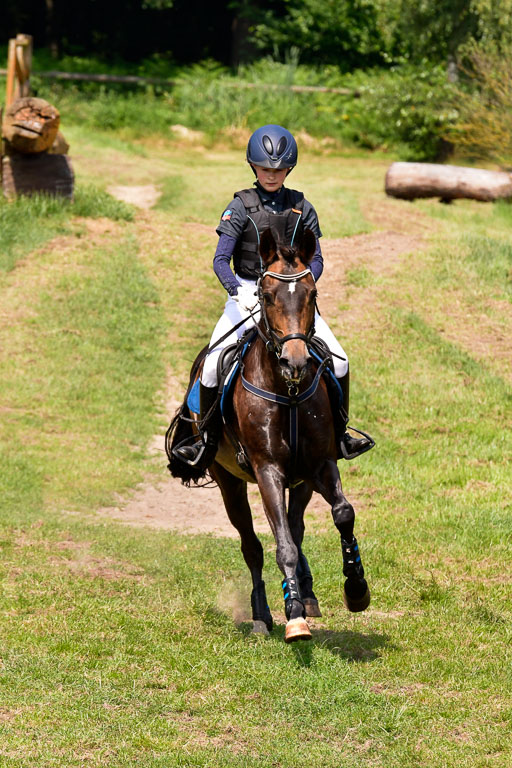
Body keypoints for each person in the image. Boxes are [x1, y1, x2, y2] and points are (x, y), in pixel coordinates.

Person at [174, 124, 374, 466]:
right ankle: (205, 442)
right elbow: (221, 260)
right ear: (254, 167)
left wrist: (300, 287)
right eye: (266, 169)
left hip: (292, 298)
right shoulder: (239, 208)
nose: (272, 175)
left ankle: (340, 437)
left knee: (340, 360)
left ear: (288, 169)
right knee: (211, 366)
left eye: (279, 170)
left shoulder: (301, 208)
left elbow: (318, 259)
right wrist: (239, 293)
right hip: (248, 294)